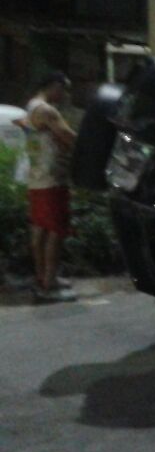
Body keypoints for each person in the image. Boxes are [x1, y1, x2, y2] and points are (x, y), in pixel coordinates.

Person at [24, 71, 77, 301]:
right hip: (51, 177)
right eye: (64, 89)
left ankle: (43, 276)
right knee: (55, 230)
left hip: (37, 177)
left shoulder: (31, 106)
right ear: (54, 85)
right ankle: (50, 283)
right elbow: (67, 136)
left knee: (40, 228)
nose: (65, 95)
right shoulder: (46, 110)